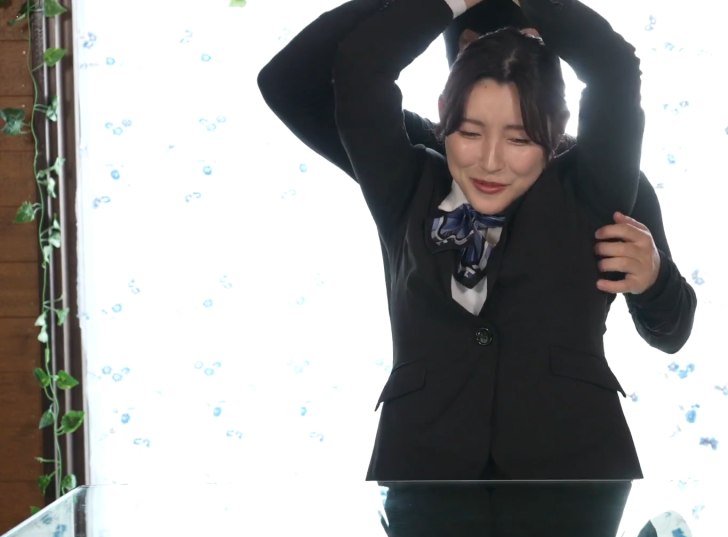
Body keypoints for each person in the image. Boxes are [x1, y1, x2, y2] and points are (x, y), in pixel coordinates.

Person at [258, 0, 695, 355]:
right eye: (476, 48)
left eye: (527, 44)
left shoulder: (605, 176)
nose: (490, 162)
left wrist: (655, 281)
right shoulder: (416, 155)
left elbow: (671, 333)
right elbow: (291, 84)